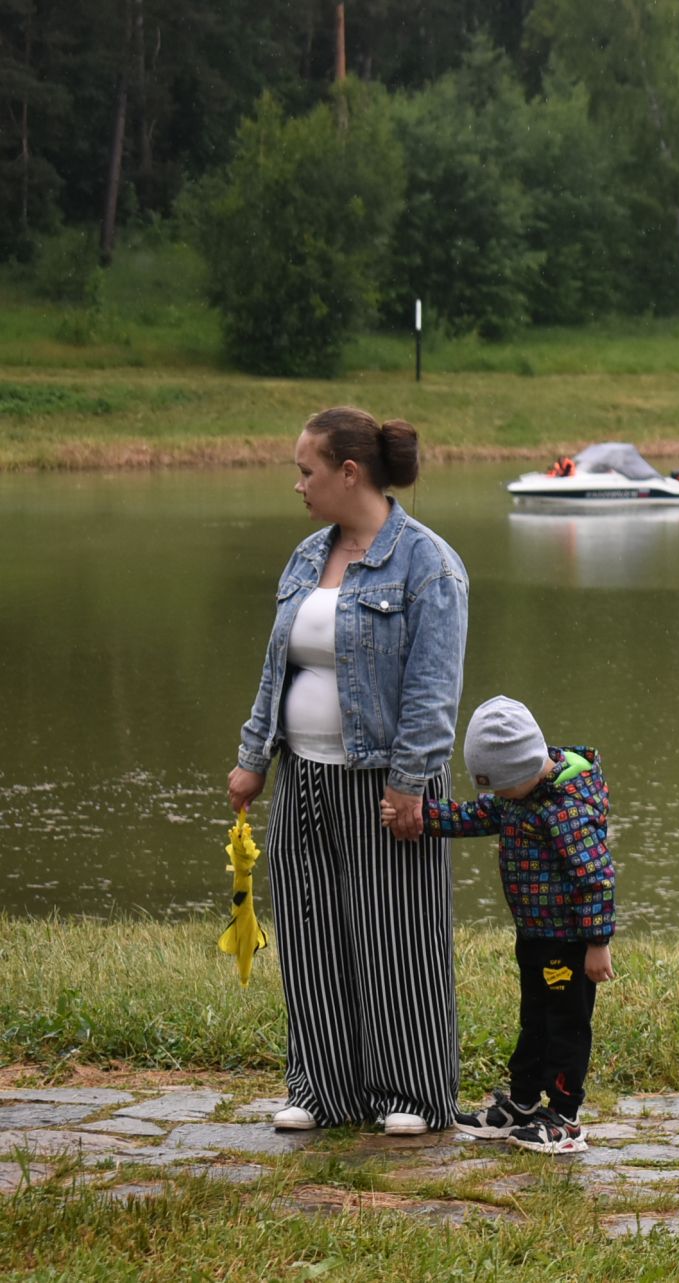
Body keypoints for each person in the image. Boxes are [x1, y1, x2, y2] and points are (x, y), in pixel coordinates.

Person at [228, 406, 469, 1136]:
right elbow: (279, 668)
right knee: (310, 930)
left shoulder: (429, 564)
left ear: (349, 473)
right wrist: (251, 759)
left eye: (306, 470)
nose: (297, 484)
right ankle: (323, 1089)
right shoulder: (306, 556)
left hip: (385, 782)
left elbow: (433, 691)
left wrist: (408, 783)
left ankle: (413, 1093)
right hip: (303, 774)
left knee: (396, 935)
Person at [386, 696, 615, 1156]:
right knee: (533, 1022)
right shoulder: (519, 794)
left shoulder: (564, 810)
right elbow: (474, 815)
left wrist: (596, 943)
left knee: (564, 1027)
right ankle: (526, 1105)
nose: (499, 799)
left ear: (527, 768)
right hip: (533, 936)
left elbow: (596, 879)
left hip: (569, 943)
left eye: (503, 788)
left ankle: (566, 1117)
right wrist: (422, 816)